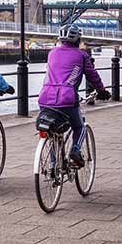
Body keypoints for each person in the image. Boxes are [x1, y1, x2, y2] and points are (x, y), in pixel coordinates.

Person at [38, 24, 111, 167]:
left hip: (45, 98)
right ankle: (75, 151)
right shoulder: (82, 55)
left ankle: (53, 165)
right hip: (67, 98)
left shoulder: (52, 53)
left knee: (52, 130)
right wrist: (102, 91)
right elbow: (92, 76)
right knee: (79, 127)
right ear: (78, 38)